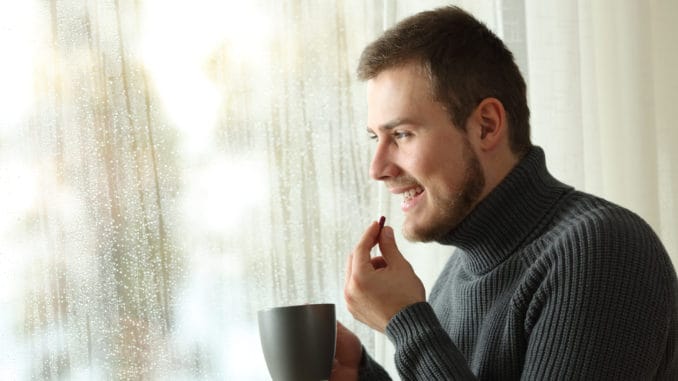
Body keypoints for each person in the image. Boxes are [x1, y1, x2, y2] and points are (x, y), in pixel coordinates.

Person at [331, 5, 678, 381]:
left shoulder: (602, 250)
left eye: (401, 134)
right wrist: (360, 376)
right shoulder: (457, 275)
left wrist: (407, 324)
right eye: (375, 138)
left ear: (486, 125)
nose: (377, 168)